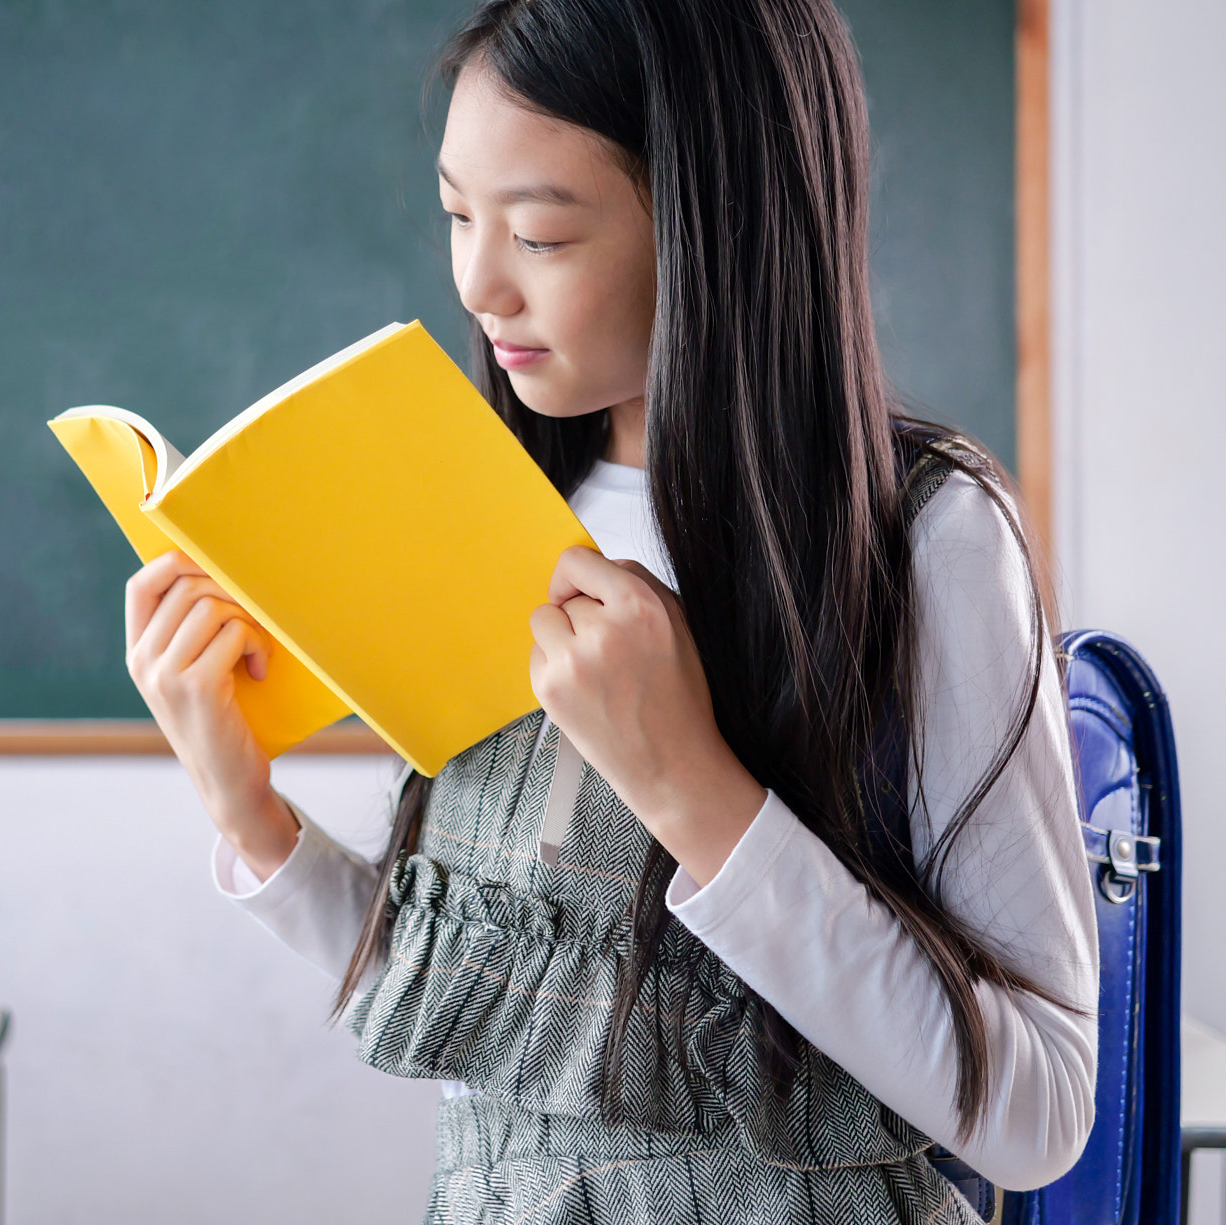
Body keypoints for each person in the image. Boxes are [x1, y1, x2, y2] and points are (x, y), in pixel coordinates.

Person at [120, 0, 1098, 1221]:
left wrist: (695, 787)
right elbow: (494, 1018)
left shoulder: (920, 534)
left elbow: (1039, 1115)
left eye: (537, 233)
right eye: (456, 216)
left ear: (713, 227)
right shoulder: (486, 508)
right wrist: (248, 813)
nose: (477, 284)